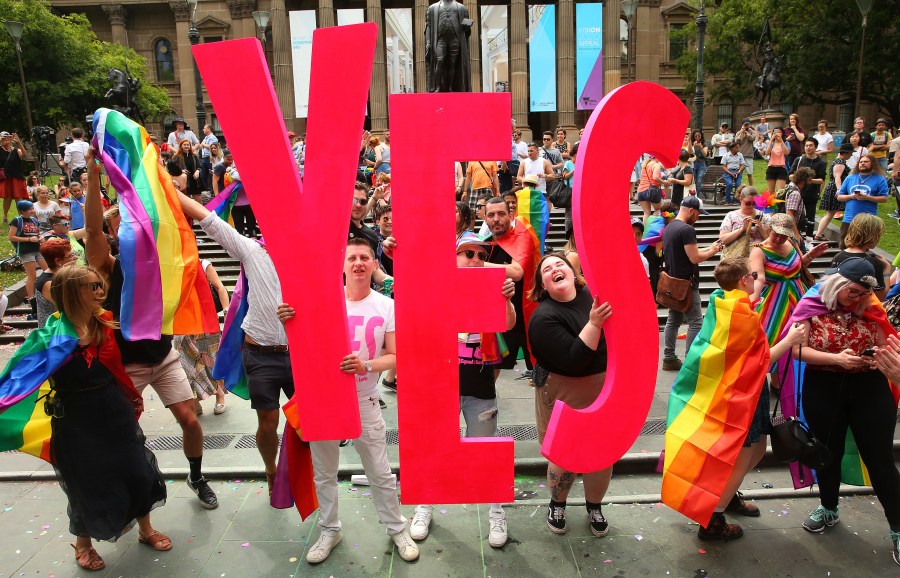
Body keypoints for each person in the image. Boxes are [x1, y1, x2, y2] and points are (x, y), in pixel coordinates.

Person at [0, 264, 170, 571]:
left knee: (137, 470)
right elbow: (15, 381)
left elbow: (117, 368)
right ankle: (83, 543)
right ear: (72, 293)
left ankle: (146, 529)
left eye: (99, 284)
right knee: (84, 482)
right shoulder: (48, 337)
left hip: (113, 411)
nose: (100, 290)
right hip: (76, 420)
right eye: (91, 286)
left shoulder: (105, 323)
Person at [84, 151, 218, 510]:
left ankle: (196, 476)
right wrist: (94, 171)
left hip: (163, 355)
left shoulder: (163, 261)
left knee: (190, 420)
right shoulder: (110, 266)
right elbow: (93, 230)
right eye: (122, 225)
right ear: (116, 233)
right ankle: (121, 486)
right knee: (123, 431)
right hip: (128, 365)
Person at [279, 239, 419, 565]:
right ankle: (330, 529)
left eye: (364, 258)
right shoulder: (321, 302)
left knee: (380, 471)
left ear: (374, 265)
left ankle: (397, 528)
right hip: (322, 397)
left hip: (364, 398)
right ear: (342, 265)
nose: (358, 263)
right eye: (352, 257)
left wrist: (366, 365)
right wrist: (287, 322)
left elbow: (398, 356)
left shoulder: (386, 306)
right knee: (324, 472)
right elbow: (302, 346)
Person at [669, 258, 808, 540]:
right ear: (744, 280)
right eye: (754, 275)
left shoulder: (723, 300)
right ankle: (714, 518)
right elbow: (762, 361)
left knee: (753, 451)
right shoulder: (742, 315)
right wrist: (791, 338)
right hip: (739, 399)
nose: (756, 278)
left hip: (737, 394)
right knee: (744, 457)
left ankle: (727, 495)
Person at [176, 189, 291, 495]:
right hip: (261, 353)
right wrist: (168, 187)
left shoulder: (308, 255)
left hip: (299, 354)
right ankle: (270, 468)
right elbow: (208, 220)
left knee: (307, 420)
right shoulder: (252, 250)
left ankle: (305, 475)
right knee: (268, 421)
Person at [786, 258, 900, 566]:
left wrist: (878, 356)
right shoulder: (812, 304)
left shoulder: (871, 306)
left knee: (880, 460)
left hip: (869, 388)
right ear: (837, 284)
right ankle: (829, 508)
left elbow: (884, 340)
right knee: (827, 452)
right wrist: (838, 360)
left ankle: (898, 529)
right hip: (823, 387)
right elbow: (797, 348)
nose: (861, 299)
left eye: (866, 293)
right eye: (854, 292)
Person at [410, 232, 517, 547]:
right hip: (441, 388)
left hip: (479, 387)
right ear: (452, 258)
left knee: (485, 449)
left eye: (479, 256)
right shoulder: (436, 290)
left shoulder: (491, 288)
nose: (474, 260)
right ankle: (424, 506)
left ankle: (496, 513)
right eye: (466, 254)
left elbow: (508, 325)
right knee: (433, 449)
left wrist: (507, 300)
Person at [527, 252, 613, 537]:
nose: (554, 269)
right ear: (544, 287)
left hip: (602, 386)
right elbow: (574, 360)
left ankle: (595, 506)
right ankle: (557, 503)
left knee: (602, 451)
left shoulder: (594, 295)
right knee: (563, 452)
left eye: (559, 264)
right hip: (563, 389)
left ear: (573, 272)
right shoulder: (543, 318)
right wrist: (595, 324)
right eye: (547, 270)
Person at [661, 197, 723, 371]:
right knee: (696, 322)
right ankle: (690, 360)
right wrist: (711, 252)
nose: (698, 217)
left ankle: (669, 356)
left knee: (674, 320)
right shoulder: (687, 229)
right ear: (690, 210)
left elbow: (690, 253)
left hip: (673, 282)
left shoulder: (671, 226)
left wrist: (710, 248)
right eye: (698, 214)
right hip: (687, 284)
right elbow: (695, 258)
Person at [748, 213, 828, 347]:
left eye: (783, 235)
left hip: (798, 296)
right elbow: (758, 279)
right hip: (773, 302)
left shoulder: (791, 242)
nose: (779, 239)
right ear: (769, 229)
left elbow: (798, 267)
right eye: (776, 234)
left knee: (806, 336)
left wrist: (810, 256)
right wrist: (750, 306)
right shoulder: (759, 251)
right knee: (773, 337)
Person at [174, 259, 231, 416]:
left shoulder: (203, 263)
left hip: (206, 319)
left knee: (211, 359)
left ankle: (219, 395)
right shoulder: (171, 264)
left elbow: (220, 287)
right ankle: (194, 399)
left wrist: (227, 311)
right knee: (185, 361)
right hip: (183, 319)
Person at [831, 213, 892, 300]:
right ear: (872, 236)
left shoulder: (838, 256)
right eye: (878, 235)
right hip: (860, 308)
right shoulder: (873, 263)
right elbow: (880, 296)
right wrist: (887, 269)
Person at [835, 153, 889, 247]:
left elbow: (884, 199)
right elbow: (840, 197)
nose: (862, 163)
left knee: (863, 247)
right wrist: (851, 196)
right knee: (845, 245)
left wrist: (867, 197)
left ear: (872, 163)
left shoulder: (880, 179)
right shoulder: (850, 178)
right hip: (849, 219)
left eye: (866, 162)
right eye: (861, 162)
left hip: (868, 220)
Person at [8, 200, 49, 320]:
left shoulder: (34, 220)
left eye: (32, 208)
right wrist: (29, 239)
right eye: (30, 209)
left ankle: (45, 293)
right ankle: (32, 300)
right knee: (32, 276)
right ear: (22, 211)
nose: (32, 210)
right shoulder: (17, 221)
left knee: (47, 270)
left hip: (37, 249)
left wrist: (40, 238)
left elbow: (37, 233)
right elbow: (11, 236)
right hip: (25, 251)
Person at [424, 0, 471, 92]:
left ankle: (450, 87)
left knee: (452, 63)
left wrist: (467, 26)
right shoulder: (432, 8)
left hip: (455, 39)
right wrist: (428, 42)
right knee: (440, 60)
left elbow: (466, 28)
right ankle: (437, 87)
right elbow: (428, 27)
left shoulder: (461, 7)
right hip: (440, 39)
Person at [718, 186, 771, 260]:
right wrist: (742, 229)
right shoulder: (731, 215)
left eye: (754, 203)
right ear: (740, 199)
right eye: (748, 203)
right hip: (736, 259)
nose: (751, 206)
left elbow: (771, 241)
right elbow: (722, 240)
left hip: (758, 259)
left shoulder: (763, 216)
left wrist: (761, 228)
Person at [35, 237, 77, 327]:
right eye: (71, 256)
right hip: (54, 333)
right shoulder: (49, 283)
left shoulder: (63, 276)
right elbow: (70, 308)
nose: (75, 258)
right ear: (58, 261)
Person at [815, 142, 854, 240]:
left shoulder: (838, 161)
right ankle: (818, 234)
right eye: (850, 153)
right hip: (835, 189)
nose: (851, 155)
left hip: (834, 187)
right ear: (846, 152)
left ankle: (819, 234)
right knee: (830, 213)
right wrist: (839, 189)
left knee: (830, 213)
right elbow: (837, 176)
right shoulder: (840, 162)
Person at [790, 139, 827, 237]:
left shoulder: (821, 162)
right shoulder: (799, 160)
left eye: (811, 145)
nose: (808, 148)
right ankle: (796, 234)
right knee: (796, 215)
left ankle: (809, 236)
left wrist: (809, 180)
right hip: (798, 192)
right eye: (806, 145)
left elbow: (822, 179)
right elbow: (790, 175)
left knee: (810, 216)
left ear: (815, 147)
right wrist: (799, 179)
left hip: (812, 193)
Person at [0, 131, 28, 224]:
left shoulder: (16, 150)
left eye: (8, 137)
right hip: (6, 177)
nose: (6, 139)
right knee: (7, 197)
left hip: (17, 176)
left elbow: (25, 156)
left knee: (18, 197)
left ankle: (21, 216)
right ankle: (5, 216)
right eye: (4, 137)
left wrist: (19, 142)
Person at [765, 127, 790, 193]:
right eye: (775, 132)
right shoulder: (772, 143)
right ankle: (770, 203)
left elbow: (787, 152)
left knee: (780, 192)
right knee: (770, 191)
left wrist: (781, 141)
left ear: (782, 133)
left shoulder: (786, 143)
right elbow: (767, 153)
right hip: (771, 168)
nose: (777, 134)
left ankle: (779, 203)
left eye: (779, 132)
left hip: (781, 168)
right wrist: (771, 140)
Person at [735, 119, 758, 186]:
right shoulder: (738, 133)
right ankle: (738, 187)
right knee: (739, 173)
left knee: (749, 173)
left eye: (747, 124)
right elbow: (737, 142)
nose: (746, 126)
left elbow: (752, 139)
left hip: (749, 155)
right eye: (745, 124)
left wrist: (747, 134)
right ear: (742, 125)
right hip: (740, 155)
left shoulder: (752, 132)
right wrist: (741, 133)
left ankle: (751, 188)